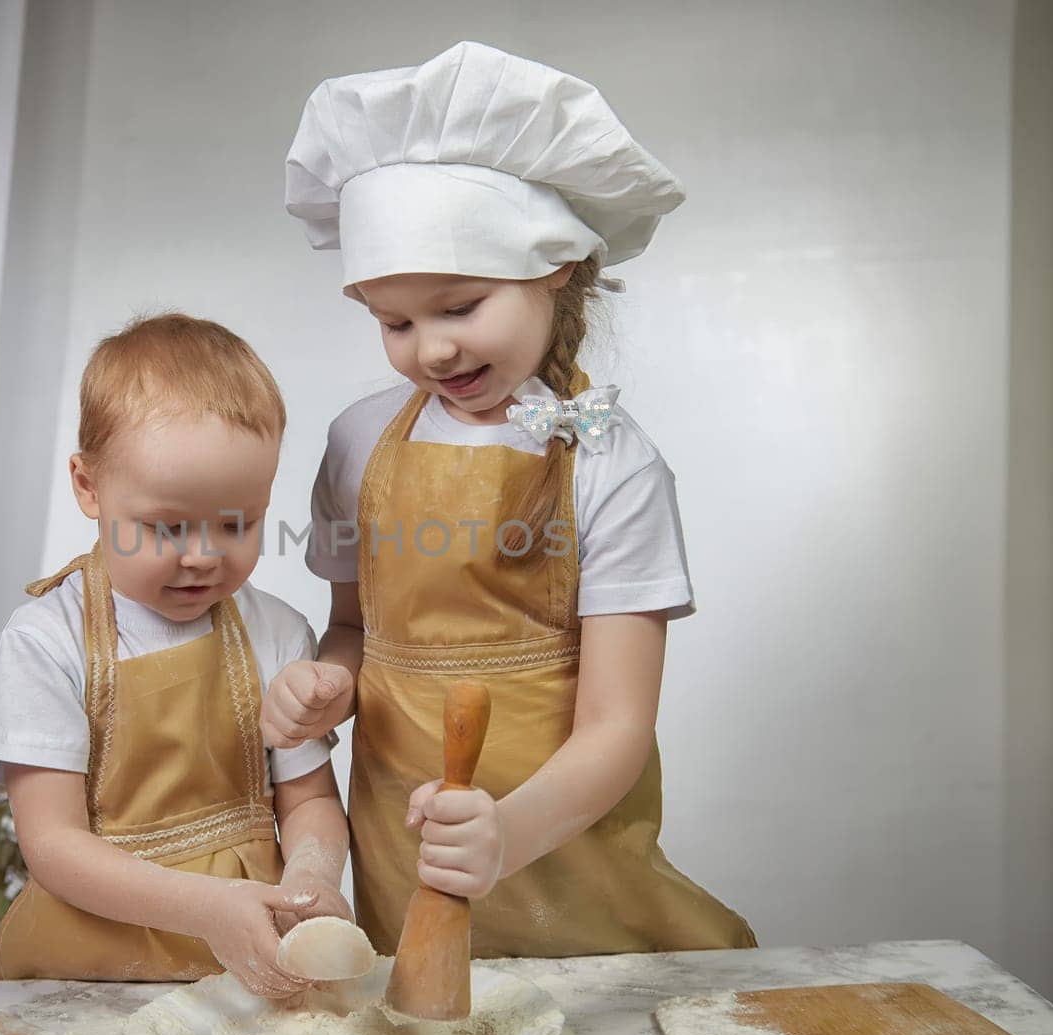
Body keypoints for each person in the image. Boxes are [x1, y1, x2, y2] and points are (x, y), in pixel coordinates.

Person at [264, 42, 757, 957]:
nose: (432, 350)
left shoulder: (612, 464)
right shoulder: (359, 440)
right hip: (396, 833)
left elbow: (617, 724)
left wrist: (507, 836)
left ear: (557, 267)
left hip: (560, 847)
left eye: (461, 305)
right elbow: (355, 628)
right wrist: (329, 683)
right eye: (395, 321)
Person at [0, 313, 349, 996]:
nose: (202, 555)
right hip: (84, 975)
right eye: (167, 525)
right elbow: (52, 844)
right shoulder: (46, 642)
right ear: (89, 486)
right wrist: (207, 908)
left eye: (237, 523)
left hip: (246, 973)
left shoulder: (279, 634)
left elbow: (311, 800)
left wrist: (310, 883)